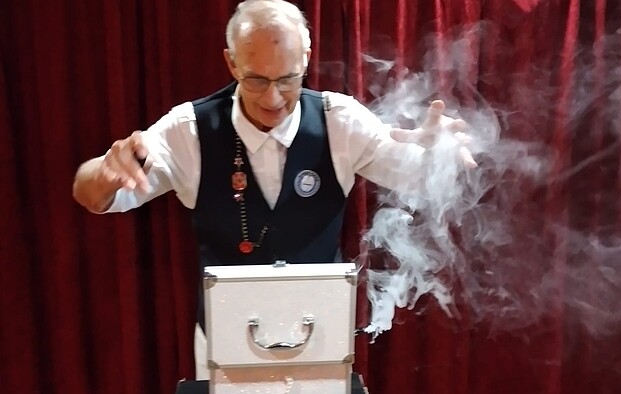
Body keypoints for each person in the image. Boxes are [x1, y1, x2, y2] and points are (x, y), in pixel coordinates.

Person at [72, 0, 476, 380]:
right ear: (231, 63)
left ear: (305, 59)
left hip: (321, 339)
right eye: (256, 79)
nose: (273, 97)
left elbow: (417, 177)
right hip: (225, 344)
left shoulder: (341, 120)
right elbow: (95, 196)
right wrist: (104, 172)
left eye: (287, 79)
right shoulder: (189, 129)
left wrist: (440, 156)